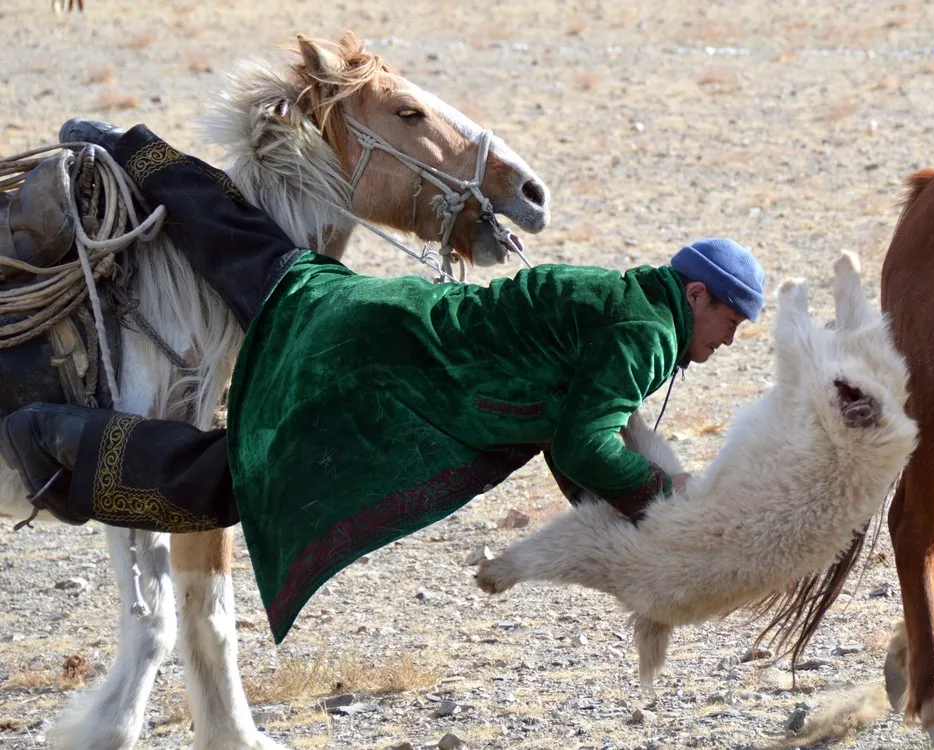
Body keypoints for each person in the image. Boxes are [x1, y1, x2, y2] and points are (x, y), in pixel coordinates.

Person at [0, 120, 766, 642]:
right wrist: (663, 502)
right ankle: (52, 441)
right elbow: (585, 440)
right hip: (390, 383)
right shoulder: (646, 332)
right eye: (730, 318)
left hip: (379, 311)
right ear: (695, 294)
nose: (729, 339)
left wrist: (620, 508)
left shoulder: (622, 294)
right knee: (239, 480)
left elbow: (569, 436)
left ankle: (129, 148)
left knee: (258, 256)